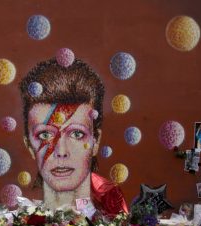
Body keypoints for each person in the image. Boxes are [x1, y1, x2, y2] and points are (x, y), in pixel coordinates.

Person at [19, 58, 128, 217]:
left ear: (95, 141)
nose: (61, 151)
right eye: (45, 135)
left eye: (77, 134)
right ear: (29, 145)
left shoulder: (118, 221)